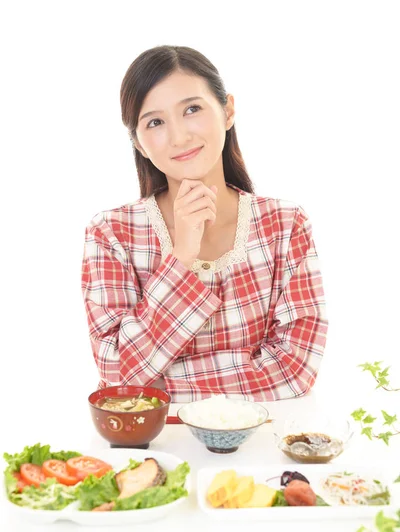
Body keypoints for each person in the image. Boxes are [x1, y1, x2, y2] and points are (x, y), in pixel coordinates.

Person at [81, 45, 328, 402]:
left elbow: (294, 371)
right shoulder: (111, 233)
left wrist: (161, 385)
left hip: (259, 449)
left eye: (192, 109)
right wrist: (181, 257)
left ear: (227, 111)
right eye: (155, 122)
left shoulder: (285, 225)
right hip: (154, 448)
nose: (179, 137)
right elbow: (119, 371)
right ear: (138, 142)